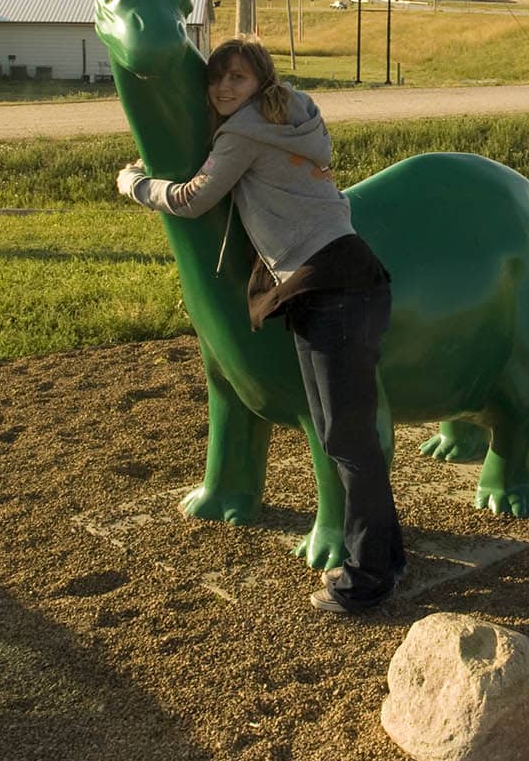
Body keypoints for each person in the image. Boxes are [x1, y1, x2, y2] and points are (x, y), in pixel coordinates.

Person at [115, 37, 404, 613]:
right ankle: (385, 557)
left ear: (259, 84)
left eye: (237, 79)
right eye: (217, 79)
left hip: (330, 287)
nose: (224, 88)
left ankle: (366, 580)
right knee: (340, 435)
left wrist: (136, 185)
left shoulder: (245, 132)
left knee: (347, 438)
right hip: (345, 276)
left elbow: (195, 198)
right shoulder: (295, 114)